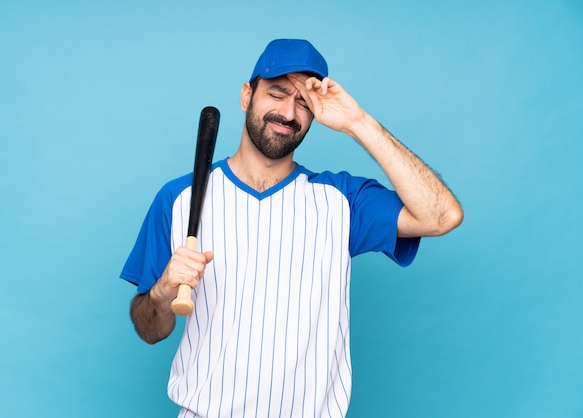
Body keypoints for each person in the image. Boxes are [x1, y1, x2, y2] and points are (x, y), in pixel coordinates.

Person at [120, 38, 463, 417]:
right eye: (277, 94)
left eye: (303, 103)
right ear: (246, 95)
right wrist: (162, 292)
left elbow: (441, 215)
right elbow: (149, 329)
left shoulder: (342, 200)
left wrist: (358, 123)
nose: (288, 112)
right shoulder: (179, 198)